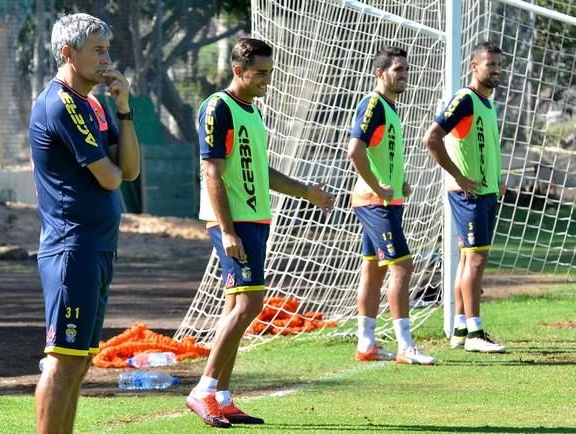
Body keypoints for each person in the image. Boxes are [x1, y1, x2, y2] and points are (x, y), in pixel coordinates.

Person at [187, 37, 335, 428]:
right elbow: (211, 172)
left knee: (236, 307)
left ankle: (222, 395)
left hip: (256, 220)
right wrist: (227, 229)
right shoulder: (218, 108)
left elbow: (261, 172)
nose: (268, 80)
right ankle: (202, 390)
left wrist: (306, 192)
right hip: (234, 223)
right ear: (239, 70)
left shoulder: (251, 112)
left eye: (270, 72)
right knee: (250, 305)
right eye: (261, 73)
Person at [29, 13, 140, 433]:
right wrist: (114, 164)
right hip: (71, 249)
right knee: (63, 360)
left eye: (107, 49)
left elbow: (129, 171)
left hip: (97, 247)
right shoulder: (61, 103)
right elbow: (110, 177)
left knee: (79, 361)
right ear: (67, 53)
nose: (107, 59)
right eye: (97, 50)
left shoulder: (93, 103)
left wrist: (125, 109)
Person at [348, 46, 436, 366]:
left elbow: (380, 153)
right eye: (397, 69)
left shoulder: (391, 107)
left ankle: (366, 344)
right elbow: (355, 150)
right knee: (402, 266)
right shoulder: (373, 104)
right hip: (375, 203)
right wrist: (378, 186)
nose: (404, 75)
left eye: (406, 69)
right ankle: (405, 346)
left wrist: (402, 181)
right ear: (380, 72)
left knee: (372, 271)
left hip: (386, 200)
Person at [423, 41, 506, 353]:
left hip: (485, 193)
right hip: (467, 194)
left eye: (499, 64)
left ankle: (460, 327)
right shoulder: (465, 99)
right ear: (474, 66)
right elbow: (431, 137)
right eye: (490, 65)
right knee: (476, 259)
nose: (496, 70)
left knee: (469, 259)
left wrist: (497, 180)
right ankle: (475, 332)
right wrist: (457, 175)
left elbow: (483, 148)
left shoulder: (487, 104)